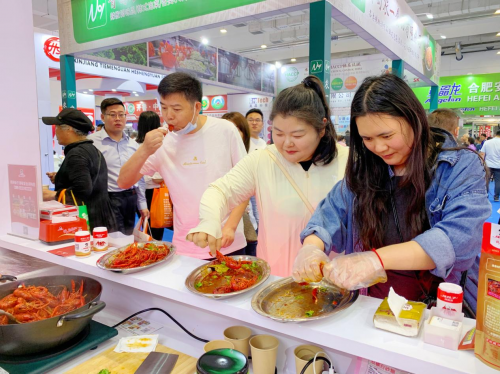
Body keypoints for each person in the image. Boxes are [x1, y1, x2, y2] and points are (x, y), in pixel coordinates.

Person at [293, 74, 491, 302]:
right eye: (367, 138)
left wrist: (375, 260)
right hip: (371, 307)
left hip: (437, 311)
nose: (378, 147)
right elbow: (330, 214)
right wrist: (311, 248)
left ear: (413, 119)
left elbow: (459, 240)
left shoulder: (460, 167)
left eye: (386, 135)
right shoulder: (365, 171)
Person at [186, 76, 349, 277]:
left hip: (334, 282)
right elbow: (220, 190)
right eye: (278, 133)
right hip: (277, 282)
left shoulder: (348, 162)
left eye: (297, 135)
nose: (287, 143)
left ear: (322, 127)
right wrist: (209, 221)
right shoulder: (263, 159)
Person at [117, 72, 248, 259]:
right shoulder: (160, 141)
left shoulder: (225, 130)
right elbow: (123, 182)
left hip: (227, 241)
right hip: (185, 245)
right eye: (163, 108)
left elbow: (244, 183)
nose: (169, 116)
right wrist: (144, 149)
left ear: (197, 107)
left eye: (177, 109)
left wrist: (230, 227)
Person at [41, 108, 117, 232]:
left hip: (88, 221)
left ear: (69, 129)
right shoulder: (92, 150)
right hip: (101, 217)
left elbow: (82, 191)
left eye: (57, 128)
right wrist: (61, 177)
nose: (55, 133)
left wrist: (51, 194)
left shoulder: (77, 154)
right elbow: (91, 179)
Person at [88, 98, 148, 235]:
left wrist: (142, 204)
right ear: (103, 117)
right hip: (106, 199)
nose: (118, 119)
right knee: (112, 240)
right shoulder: (92, 143)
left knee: (128, 238)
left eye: (121, 115)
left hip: (130, 198)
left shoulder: (133, 145)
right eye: (112, 114)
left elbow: (139, 177)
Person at [221, 112, 258, 257]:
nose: (232, 133)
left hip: (245, 222)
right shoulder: (217, 158)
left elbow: (252, 197)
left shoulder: (252, 157)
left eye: (237, 129)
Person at [136, 111, 170, 240]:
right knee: (155, 228)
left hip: (138, 192)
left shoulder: (135, 145)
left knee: (144, 227)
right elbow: (157, 177)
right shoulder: (159, 145)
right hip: (154, 191)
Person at [481, 130, 500, 202]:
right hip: (498, 165)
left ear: (495, 134)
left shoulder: (487, 142)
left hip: (488, 165)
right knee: (498, 182)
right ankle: (496, 197)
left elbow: (482, 154)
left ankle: (485, 195)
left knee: (486, 180)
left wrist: (482, 164)